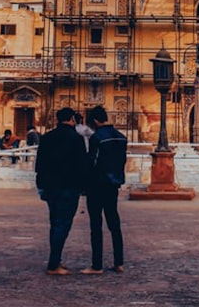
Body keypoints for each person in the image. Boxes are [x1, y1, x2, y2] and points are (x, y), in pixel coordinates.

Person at [35, 107, 89, 276]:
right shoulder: (76, 139)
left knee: (55, 223)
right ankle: (53, 264)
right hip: (69, 187)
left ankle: (56, 260)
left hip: (51, 187)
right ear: (72, 119)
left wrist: (42, 186)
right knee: (63, 225)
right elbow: (82, 165)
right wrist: (83, 187)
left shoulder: (47, 137)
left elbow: (39, 165)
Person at [81, 104, 127, 275]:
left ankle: (97, 265)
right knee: (114, 223)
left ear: (94, 121)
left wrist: (85, 185)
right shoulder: (121, 137)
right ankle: (119, 262)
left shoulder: (97, 138)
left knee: (96, 225)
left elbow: (92, 162)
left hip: (97, 186)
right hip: (113, 184)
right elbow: (122, 161)